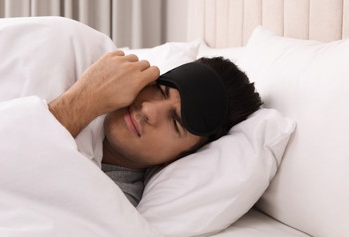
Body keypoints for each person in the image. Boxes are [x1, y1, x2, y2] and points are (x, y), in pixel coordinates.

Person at [49, 50, 262, 206]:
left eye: (176, 122)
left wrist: (79, 103)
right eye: (160, 91)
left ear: (177, 158)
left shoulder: (113, 203)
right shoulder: (73, 63)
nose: (148, 110)